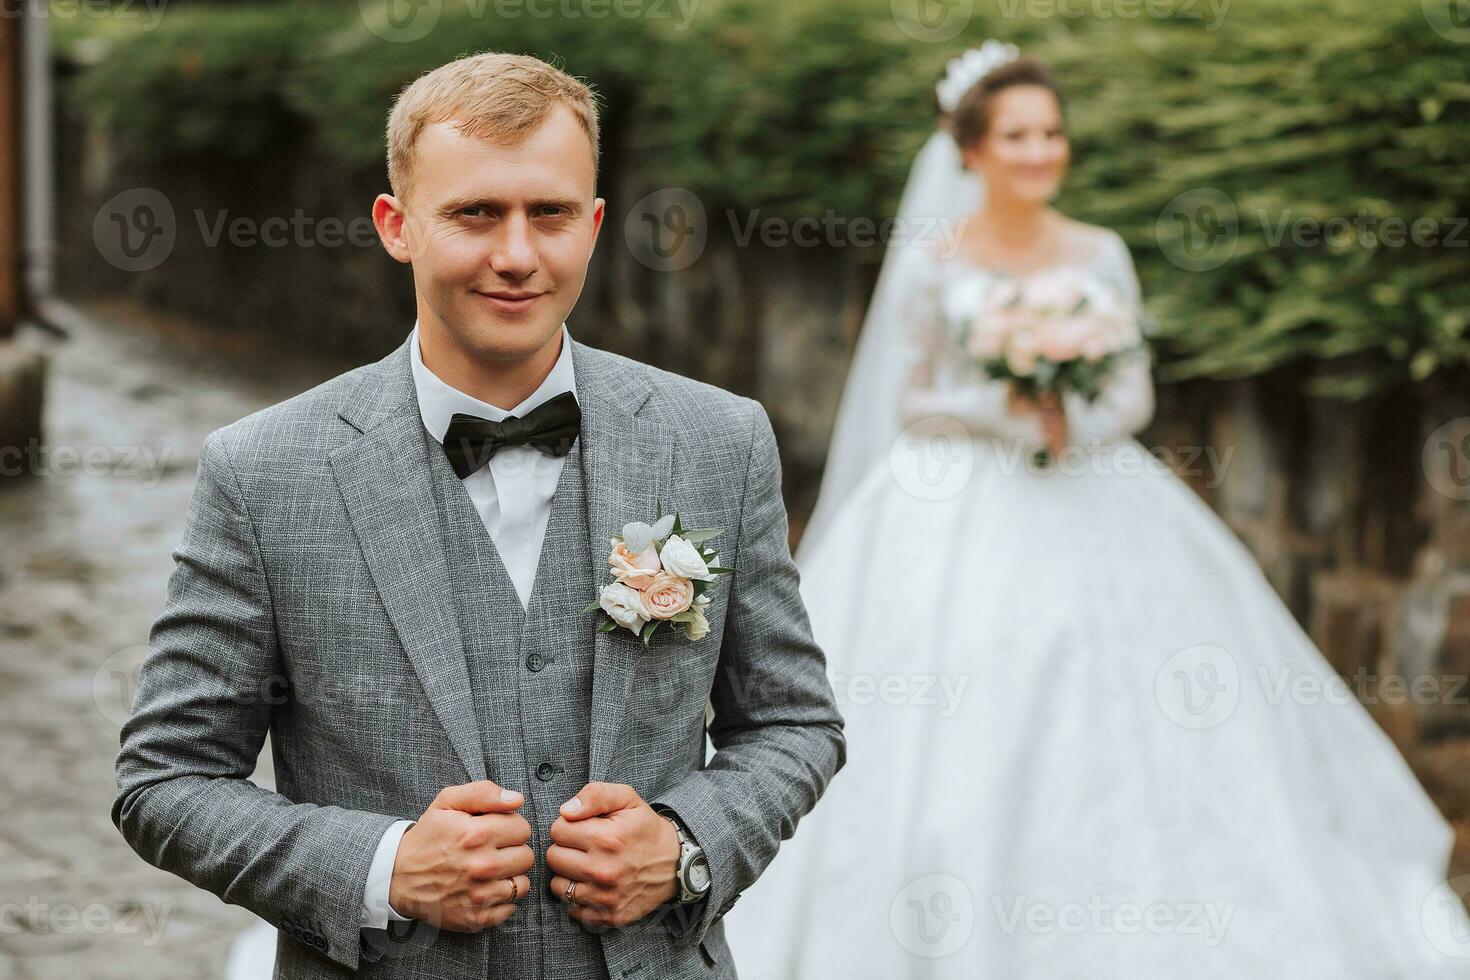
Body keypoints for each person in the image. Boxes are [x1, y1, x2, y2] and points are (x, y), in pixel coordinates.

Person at [726, 43, 1470, 978]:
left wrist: (1071, 412)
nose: (1041, 152)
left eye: (1052, 133)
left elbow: (1134, 398)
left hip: (1094, 484)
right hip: (955, 499)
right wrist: (1005, 408)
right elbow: (912, 400)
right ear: (972, 149)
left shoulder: (1099, 252)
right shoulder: (936, 258)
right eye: (1019, 135)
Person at [113, 52, 844, 980]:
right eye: (474, 214)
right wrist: (381, 868)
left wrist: (687, 841)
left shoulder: (719, 441)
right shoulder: (264, 472)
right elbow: (164, 781)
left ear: (595, 225)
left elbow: (793, 725)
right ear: (397, 225)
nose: (516, 255)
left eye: (550, 213)